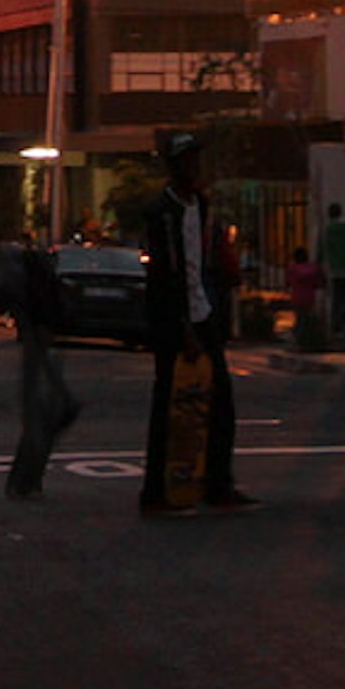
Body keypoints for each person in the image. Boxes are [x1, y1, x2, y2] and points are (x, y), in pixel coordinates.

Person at [137, 132, 253, 515]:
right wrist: (181, 327)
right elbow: (165, 277)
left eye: (195, 161)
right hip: (174, 320)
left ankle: (216, 483)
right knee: (170, 406)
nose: (193, 168)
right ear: (173, 167)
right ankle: (157, 493)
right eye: (186, 162)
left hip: (202, 313)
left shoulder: (200, 206)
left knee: (220, 402)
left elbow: (201, 266)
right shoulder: (162, 211)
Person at [2, 238, 80, 498]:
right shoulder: (44, 288)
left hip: (40, 347)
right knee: (44, 416)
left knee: (40, 417)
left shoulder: (28, 289)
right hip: (44, 347)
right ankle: (27, 480)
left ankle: (25, 480)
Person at [318, 201, 345, 350]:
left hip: (335, 271)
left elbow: (323, 250)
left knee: (336, 299)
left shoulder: (328, 230)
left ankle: (336, 328)